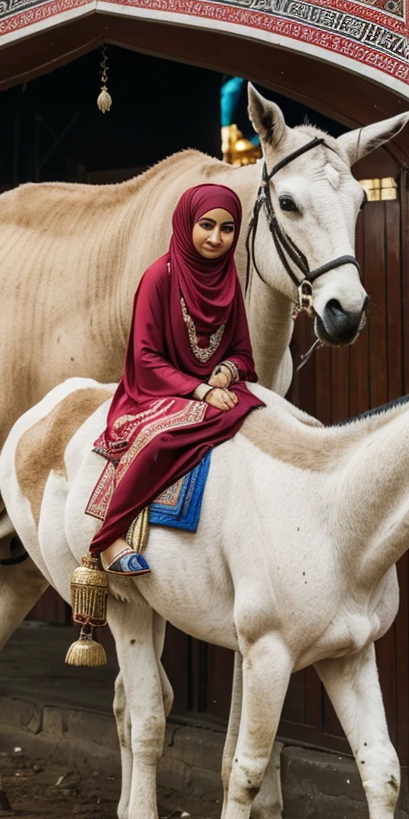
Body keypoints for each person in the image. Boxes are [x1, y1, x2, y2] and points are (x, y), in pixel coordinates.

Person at [89, 184, 264, 575]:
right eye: (206, 225)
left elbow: (241, 352)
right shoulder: (158, 276)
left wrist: (225, 371)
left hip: (214, 391)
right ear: (187, 224)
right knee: (161, 440)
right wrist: (199, 389)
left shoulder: (228, 278)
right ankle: (110, 535)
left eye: (227, 228)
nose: (217, 239)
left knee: (260, 411)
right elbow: (145, 358)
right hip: (156, 390)